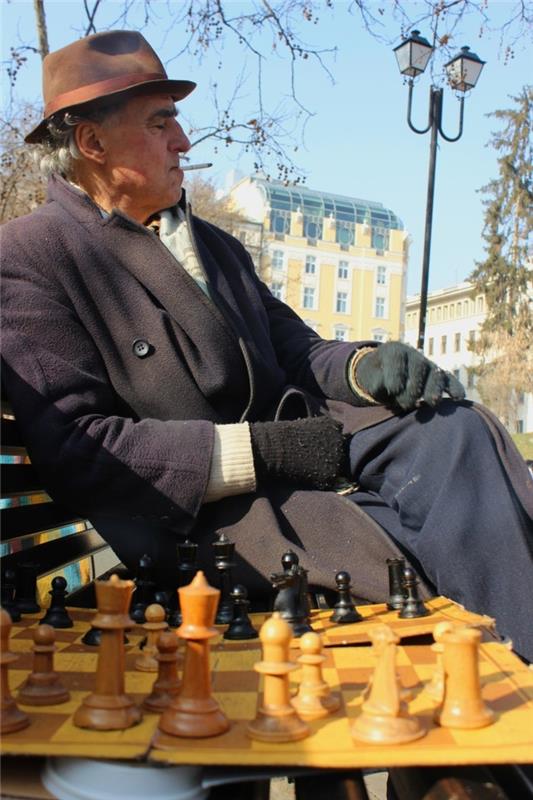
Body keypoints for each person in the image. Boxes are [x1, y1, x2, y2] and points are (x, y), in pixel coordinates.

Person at [1, 31, 532, 662]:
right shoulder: (33, 256)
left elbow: (299, 351)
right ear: (92, 143)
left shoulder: (212, 246)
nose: (184, 141)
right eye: (161, 122)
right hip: (200, 520)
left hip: (305, 467)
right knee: (469, 529)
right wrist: (266, 453)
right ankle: (509, 716)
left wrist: (370, 366)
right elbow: (82, 452)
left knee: (456, 429)